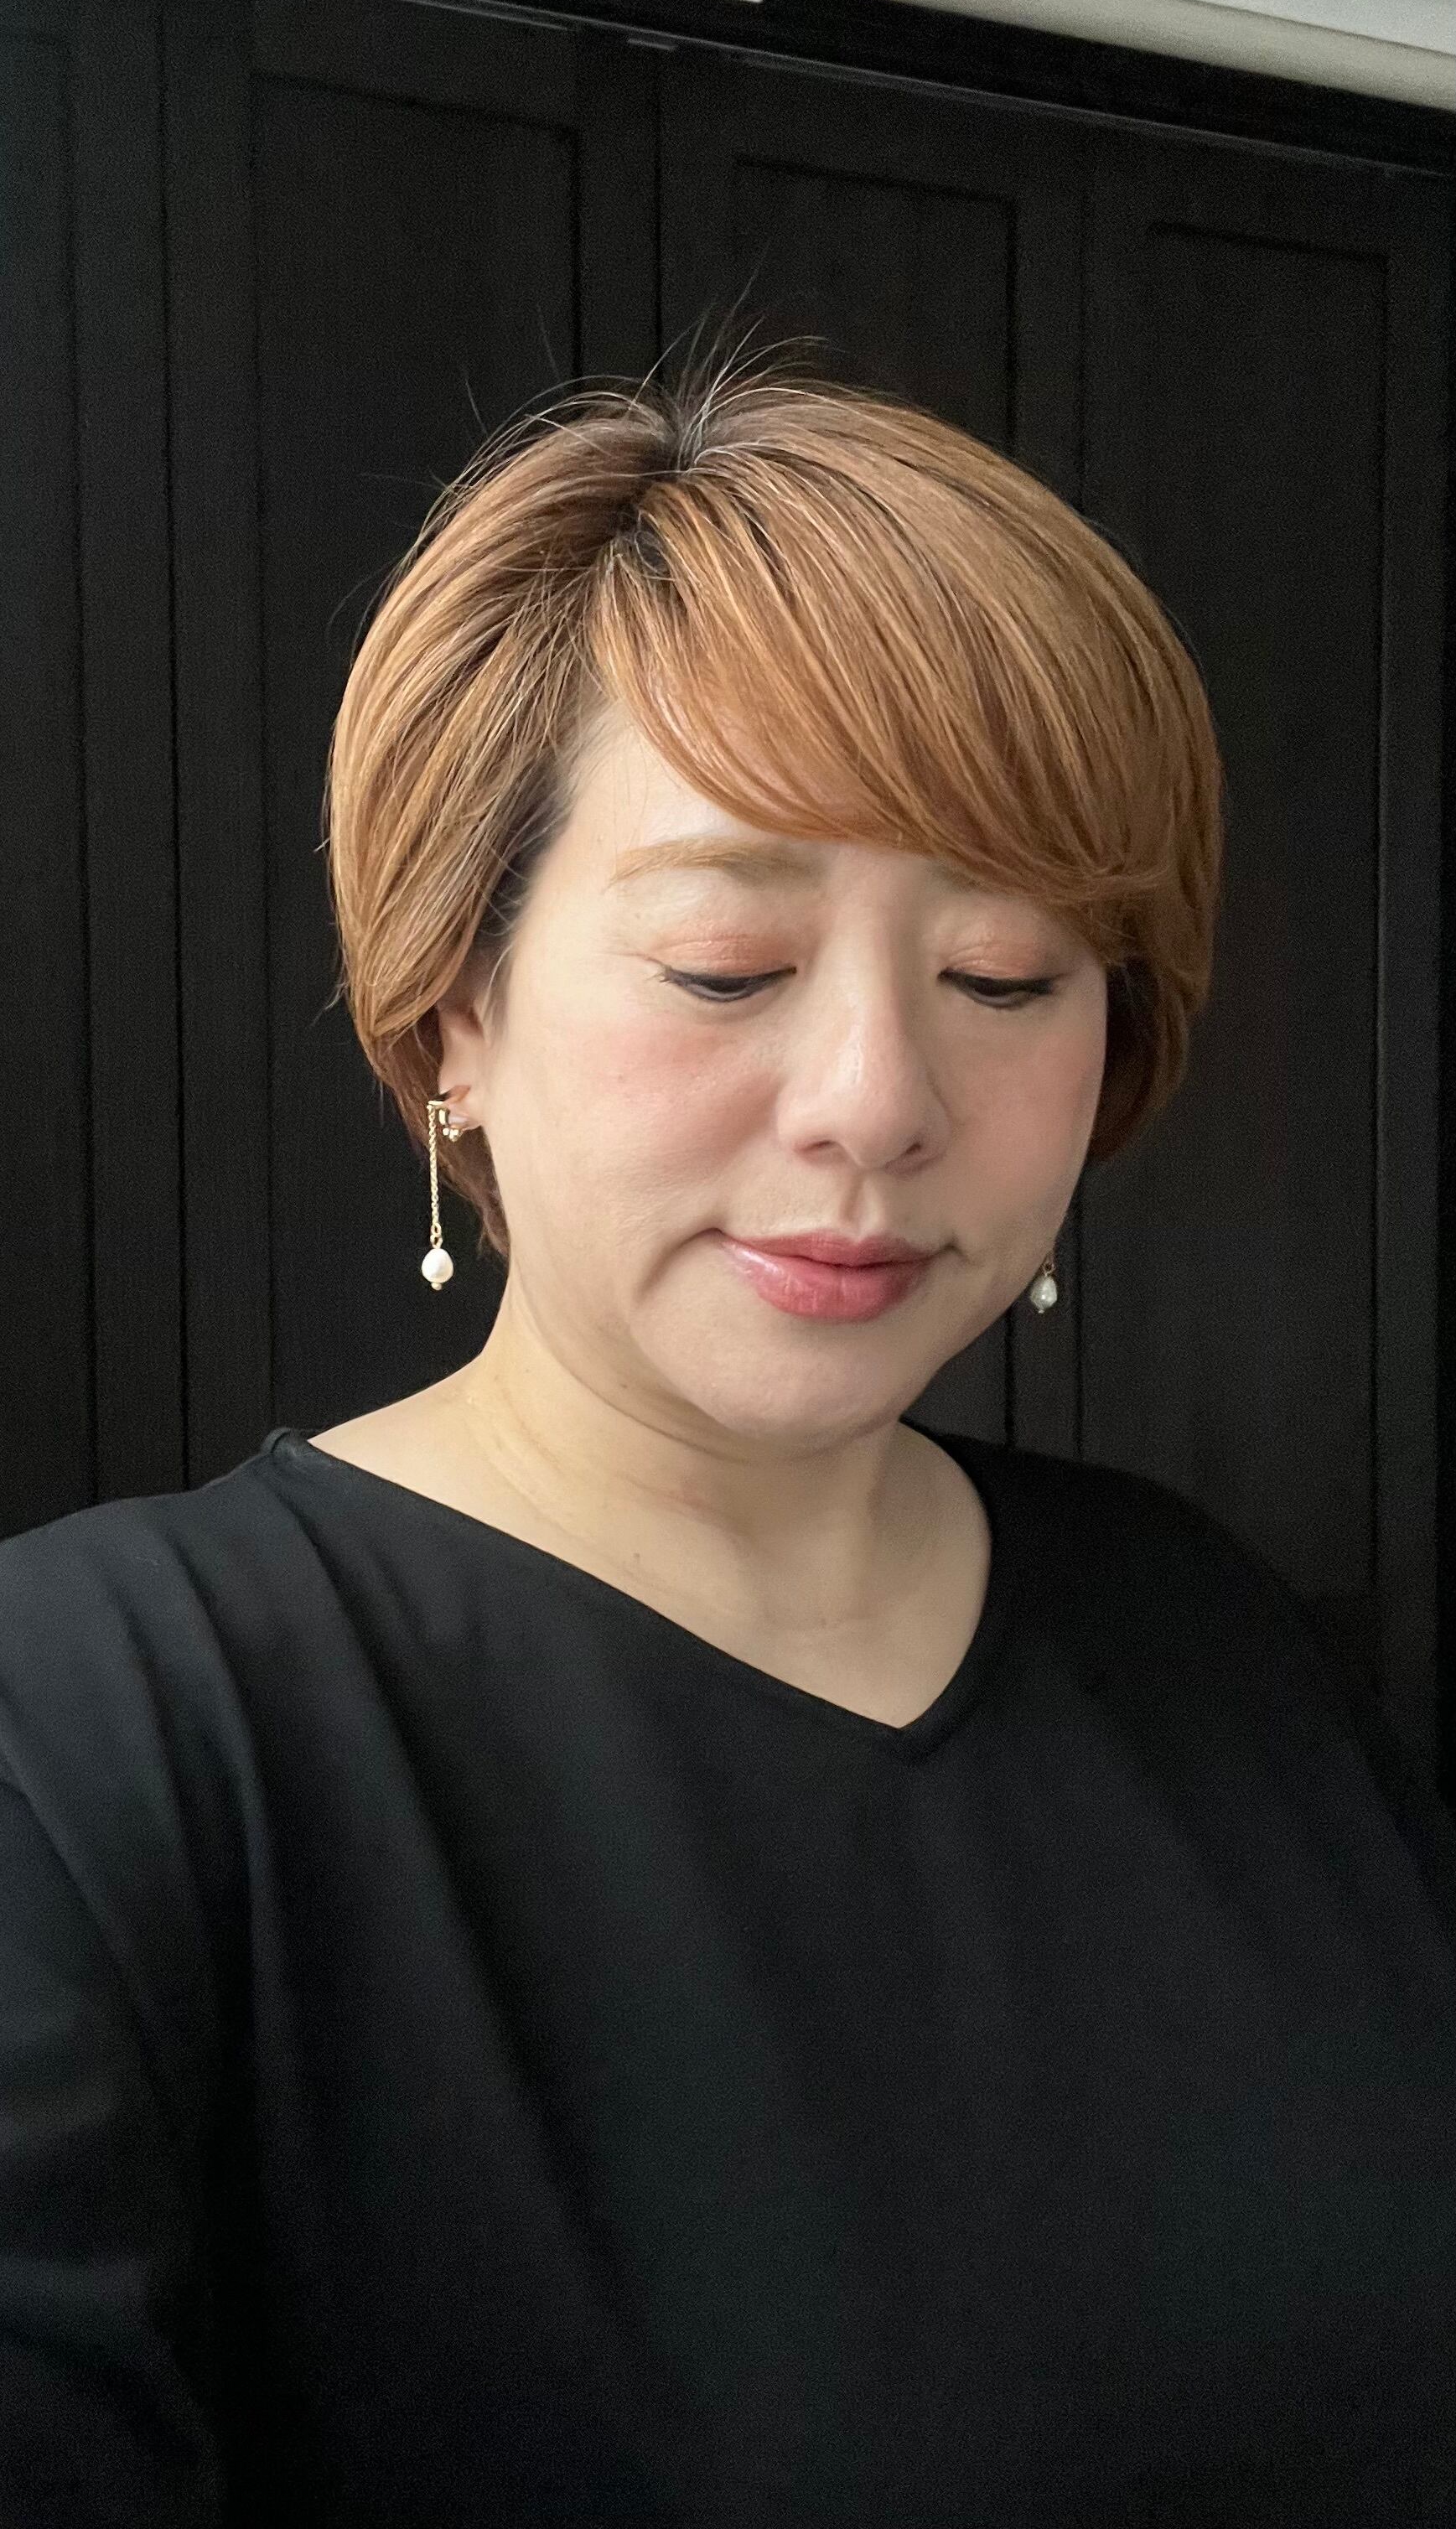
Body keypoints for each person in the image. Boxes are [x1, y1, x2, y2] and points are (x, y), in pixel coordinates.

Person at [2, 344, 1453, 2529]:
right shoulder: (98, 1732)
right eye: (722, 963)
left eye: (1006, 976)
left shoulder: (1207, 1635)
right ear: (455, 1006)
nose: (877, 1102)